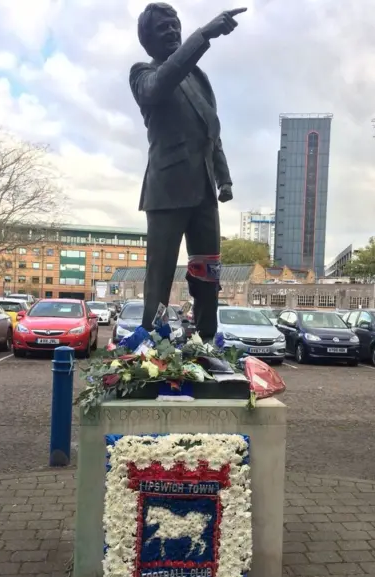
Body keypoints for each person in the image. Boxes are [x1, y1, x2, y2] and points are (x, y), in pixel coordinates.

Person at [130, 3, 246, 340]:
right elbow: (159, 86)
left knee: (208, 275)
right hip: (167, 190)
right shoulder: (142, 73)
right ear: (146, 39)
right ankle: (151, 344)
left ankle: (207, 342)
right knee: (160, 274)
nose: (171, 31)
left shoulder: (198, 77)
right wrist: (204, 35)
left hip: (204, 192)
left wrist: (223, 177)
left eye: (174, 25)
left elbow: (211, 129)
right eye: (162, 27)